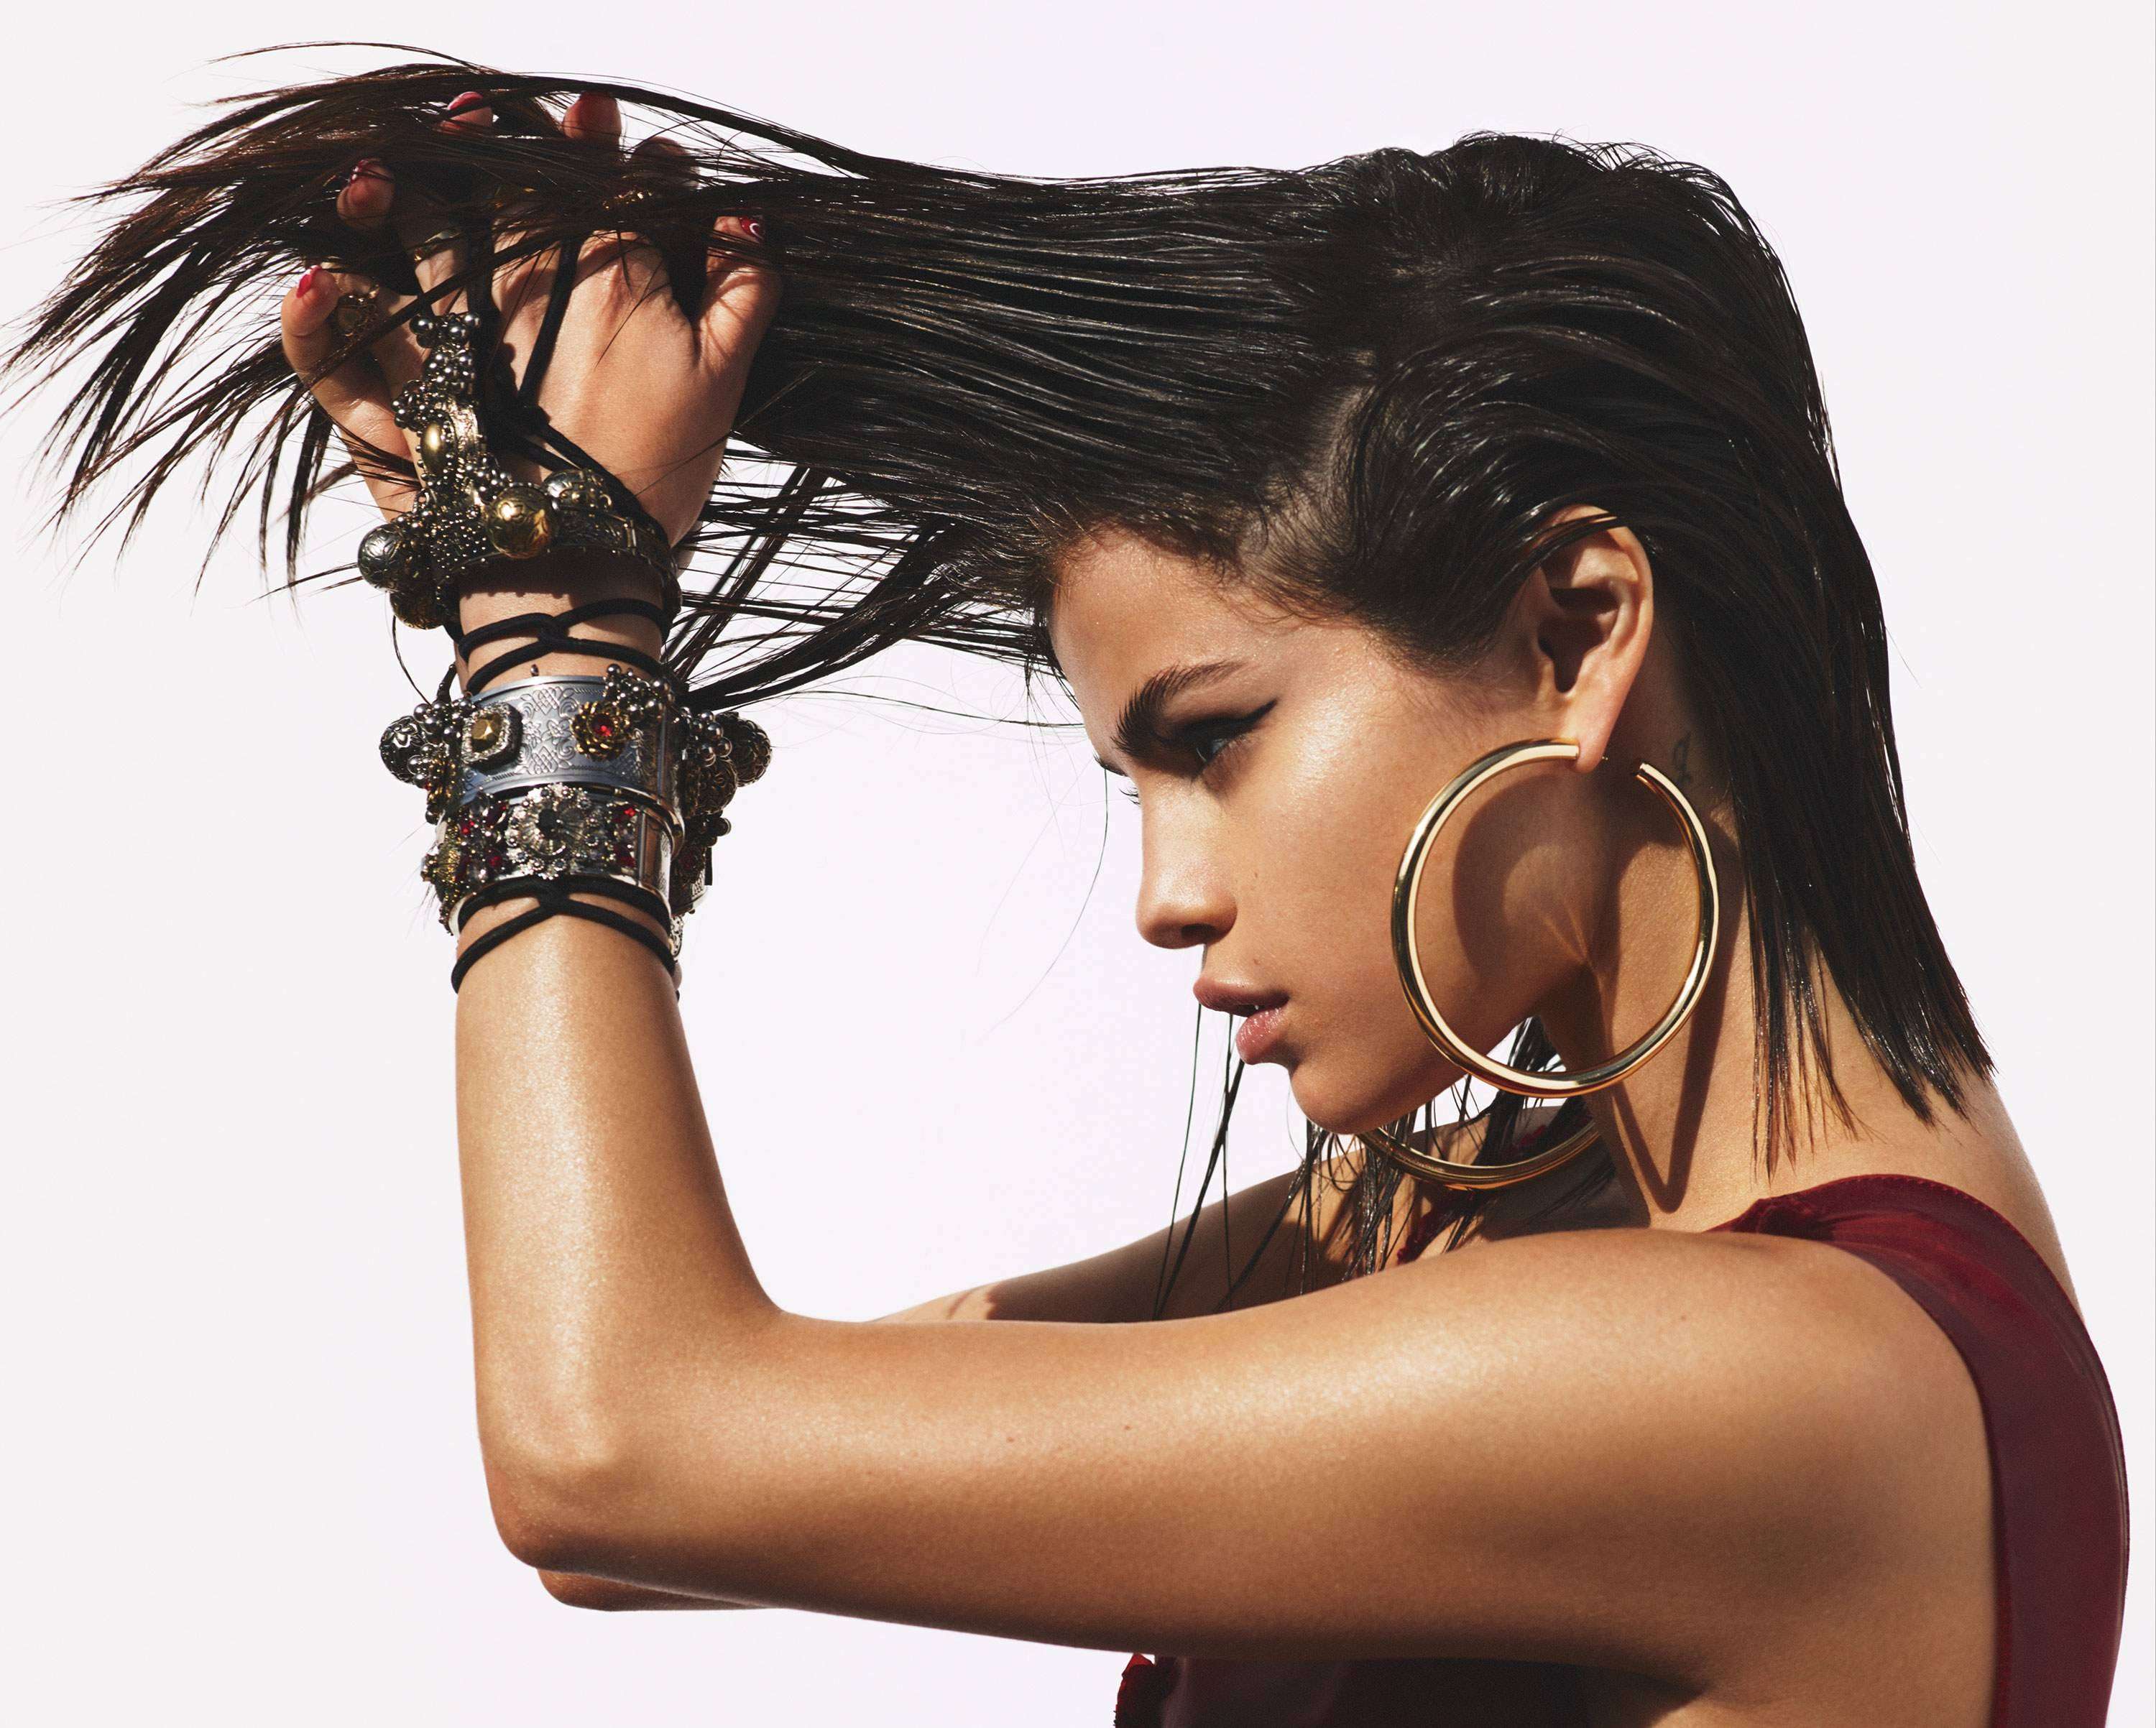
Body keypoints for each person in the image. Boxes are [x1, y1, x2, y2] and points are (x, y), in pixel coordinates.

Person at [17, 64, 2127, 1727]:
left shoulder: (1790, 1390)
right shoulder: (1506, 1213)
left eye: (1216, 739)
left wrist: (554, 643)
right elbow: (632, 1514)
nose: (1164, 899)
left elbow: (618, 1442)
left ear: (1578, 631)